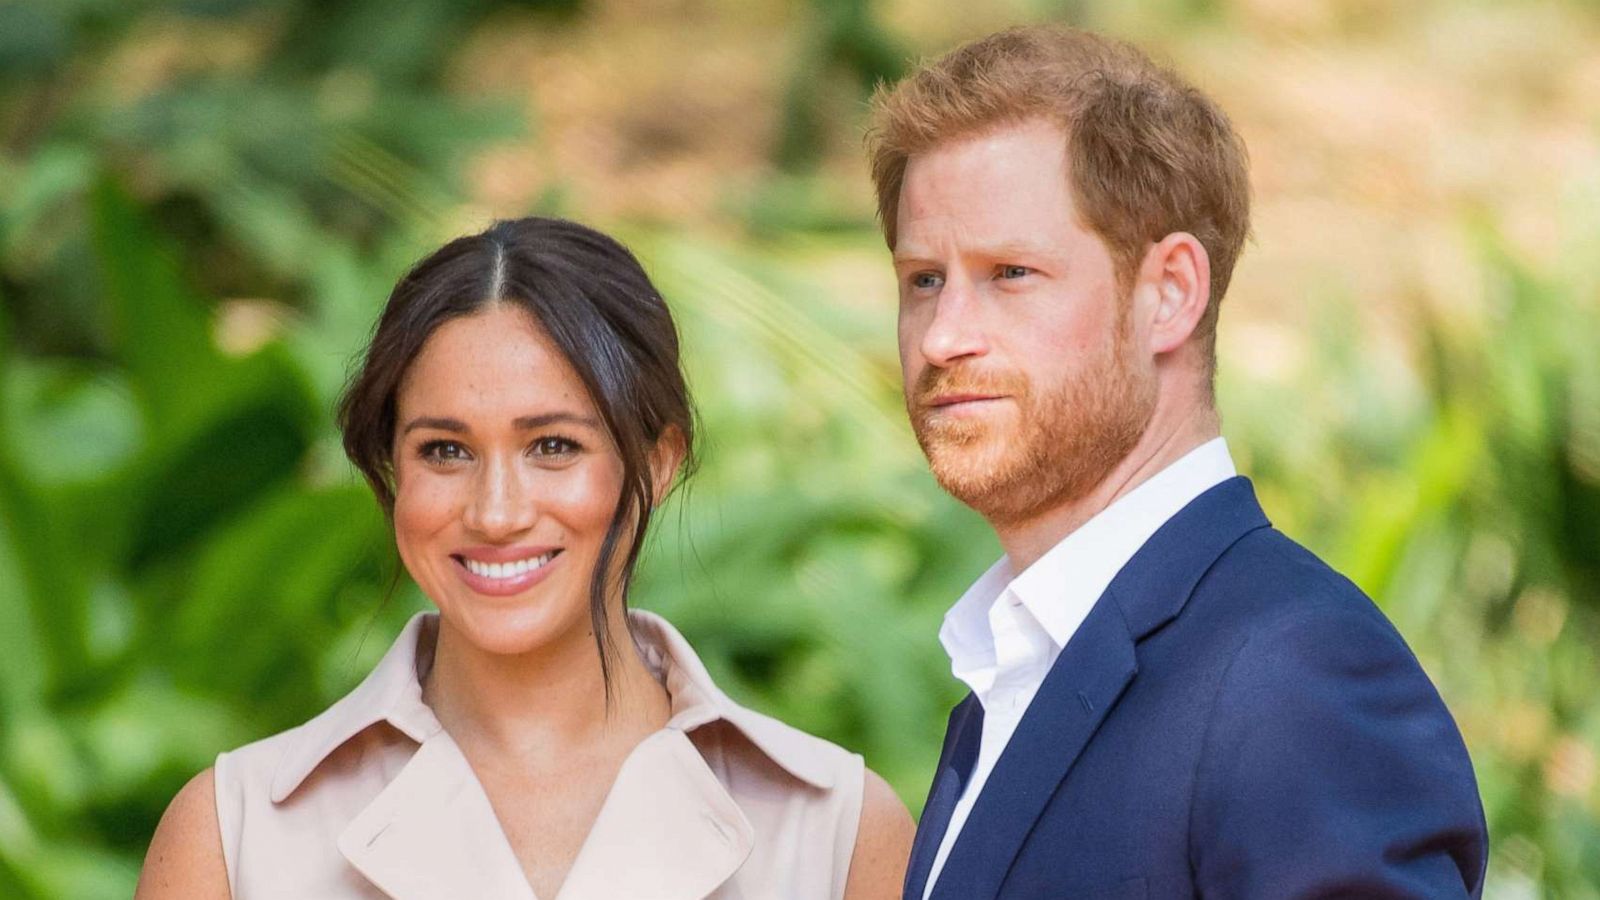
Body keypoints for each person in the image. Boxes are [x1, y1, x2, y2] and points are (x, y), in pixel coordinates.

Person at [866, 25, 1489, 899]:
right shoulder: (1012, 675)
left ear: (1170, 294)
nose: (943, 336)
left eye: (1009, 272)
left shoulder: (1295, 676)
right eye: (923, 279)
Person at [135, 217, 914, 899]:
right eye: (444, 450)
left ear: (656, 462)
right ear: (391, 473)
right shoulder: (233, 835)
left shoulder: (837, 831)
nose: (497, 512)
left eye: (553, 446)